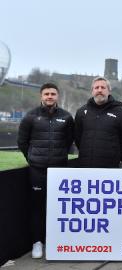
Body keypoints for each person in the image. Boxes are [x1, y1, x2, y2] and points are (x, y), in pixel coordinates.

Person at [17, 83, 74, 259]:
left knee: (57, 208)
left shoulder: (66, 117)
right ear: (41, 96)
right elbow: (22, 142)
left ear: (57, 96)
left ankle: (53, 241)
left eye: (53, 94)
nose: (50, 96)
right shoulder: (31, 116)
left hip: (59, 170)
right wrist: (33, 159)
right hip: (37, 170)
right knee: (37, 208)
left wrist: (58, 157)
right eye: (47, 94)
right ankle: (37, 242)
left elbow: (69, 141)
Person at [75, 76, 122, 168]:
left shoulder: (121, 112)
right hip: (85, 165)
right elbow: (78, 138)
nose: (99, 90)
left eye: (103, 87)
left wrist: (120, 157)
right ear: (92, 91)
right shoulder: (81, 112)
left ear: (109, 91)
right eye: (96, 88)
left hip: (110, 167)